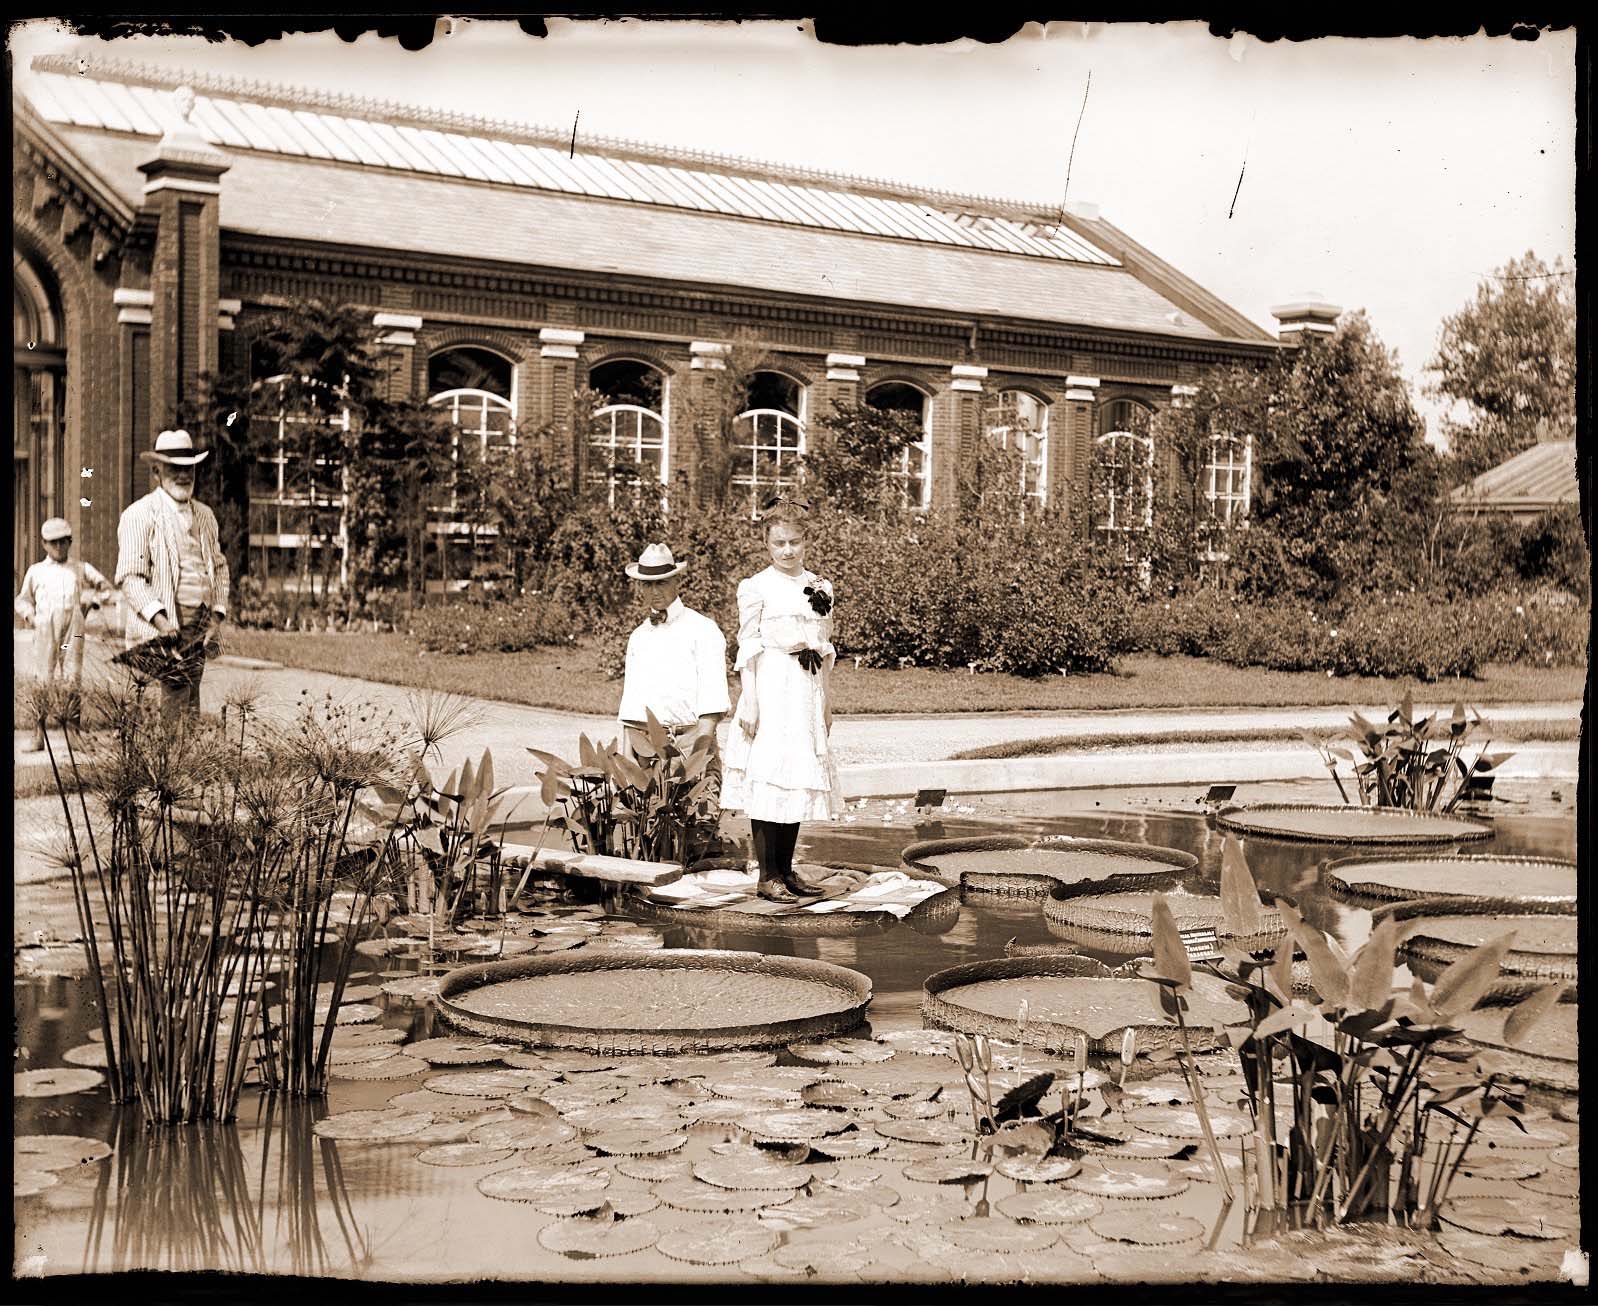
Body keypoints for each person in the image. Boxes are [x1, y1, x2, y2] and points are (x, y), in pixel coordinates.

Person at [721, 497, 843, 902]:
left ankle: (787, 872)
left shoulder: (820, 587)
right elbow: (749, 646)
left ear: (806, 541)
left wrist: (824, 701)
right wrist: (750, 700)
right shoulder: (756, 587)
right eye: (779, 543)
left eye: (795, 542)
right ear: (766, 543)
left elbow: (824, 648)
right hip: (771, 684)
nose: (788, 550)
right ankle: (766, 875)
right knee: (769, 773)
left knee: (795, 775)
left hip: (805, 691)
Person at [615, 543, 731, 852]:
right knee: (654, 841)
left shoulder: (703, 630)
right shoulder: (639, 637)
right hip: (650, 749)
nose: (655, 591)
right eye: (648, 584)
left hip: (693, 742)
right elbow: (632, 703)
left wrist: (699, 758)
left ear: (677, 581)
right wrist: (629, 765)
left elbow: (712, 697)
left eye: (662, 582)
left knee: (701, 839)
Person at [115, 429, 230, 718]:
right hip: (162, 627)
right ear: (156, 471)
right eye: (174, 469)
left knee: (190, 706)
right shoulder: (139, 515)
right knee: (170, 708)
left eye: (188, 468)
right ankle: (170, 762)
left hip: (199, 625)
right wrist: (163, 622)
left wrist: (216, 616)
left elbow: (219, 566)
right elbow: (131, 578)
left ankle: (185, 761)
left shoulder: (205, 515)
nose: (183, 476)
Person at [14, 516, 114, 750]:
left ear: (70, 541)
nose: (59, 547)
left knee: (72, 677)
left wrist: (90, 603)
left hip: (73, 629)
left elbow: (106, 588)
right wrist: (32, 617)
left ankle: (73, 734)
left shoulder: (80, 568)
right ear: (44, 544)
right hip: (46, 627)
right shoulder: (36, 571)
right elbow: (22, 600)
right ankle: (37, 735)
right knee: (43, 679)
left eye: (63, 541)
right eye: (53, 542)